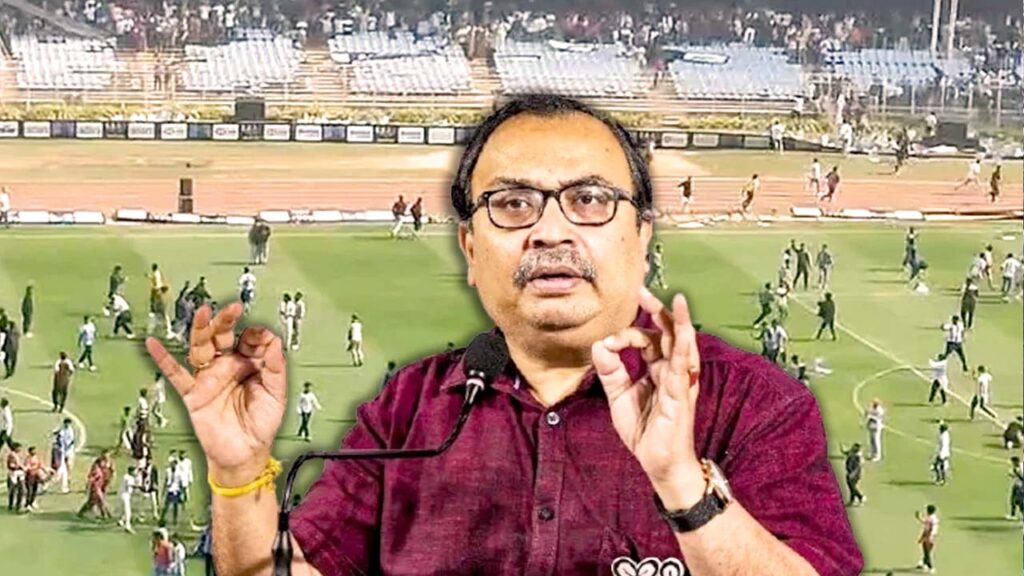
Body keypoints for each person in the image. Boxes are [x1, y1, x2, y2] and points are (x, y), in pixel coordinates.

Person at [145, 94, 862, 575]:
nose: (550, 230)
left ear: (642, 235)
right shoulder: (408, 410)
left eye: (589, 200)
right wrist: (238, 473)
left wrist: (683, 484)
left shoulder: (753, 405)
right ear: (469, 248)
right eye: (513, 204)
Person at [78, 449, 115, 520]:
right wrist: (88, 484)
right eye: (104, 455)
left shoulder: (110, 462)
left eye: (107, 456)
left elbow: (113, 472)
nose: (106, 457)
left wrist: (110, 481)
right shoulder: (97, 463)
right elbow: (92, 475)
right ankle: (107, 515)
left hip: (103, 483)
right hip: (96, 484)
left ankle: (81, 513)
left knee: (92, 501)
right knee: (101, 499)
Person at [53, 418, 76, 493]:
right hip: (62, 452)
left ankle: (65, 480)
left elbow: (71, 442)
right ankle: (63, 484)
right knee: (62, 468)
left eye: (68, 423)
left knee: (68, 467)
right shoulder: (62, 428)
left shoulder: (70, 431)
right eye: (66, 423)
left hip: (68, 451)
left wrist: (66, 450)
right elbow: (58, 434)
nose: (67, 424)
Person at [915, 505, 939, 573]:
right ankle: (922, 563)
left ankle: (931, 567)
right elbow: (925, 522)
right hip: (932, 537)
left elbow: (927, 528)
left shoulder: (930, 519)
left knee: (927, 553)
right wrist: (919, 517)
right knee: (927, 551)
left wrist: (923, 538)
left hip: (928, 537)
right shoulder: (934, 518)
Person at [6, 442, 26, 512]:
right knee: (13, 490)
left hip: (20, 473)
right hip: (14, 473)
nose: (20, 449)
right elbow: (11, 465)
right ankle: (11, 504)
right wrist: (20, 467)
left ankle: (18, 505)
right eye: (19, 448)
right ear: (15, 448)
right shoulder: (11, 455)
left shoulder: (18, 455)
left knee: (22, 489)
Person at [117, 465, 138, 533]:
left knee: (122, 511)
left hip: (121, 495)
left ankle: (120, 521)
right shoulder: (129, 478)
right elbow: (130, 485)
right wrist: (139, 486)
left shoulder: (125, 476)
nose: (136, 473)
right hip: (125, 495)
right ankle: (127, 527)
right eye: (135, 471)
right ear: (131, 471)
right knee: (128, 512)